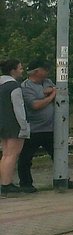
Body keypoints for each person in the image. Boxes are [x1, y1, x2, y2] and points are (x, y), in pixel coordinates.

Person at [18, 60, 73, 192]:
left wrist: (51, 91)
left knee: (58, 154)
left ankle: (63, 179)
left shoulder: (48, 82)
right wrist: (51, 95)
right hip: (34, 129)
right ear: (37, 71)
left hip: (51, 128)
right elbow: (35, 105)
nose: (47, 71)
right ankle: (26, 184)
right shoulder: (26, 87)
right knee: (26, 158)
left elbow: (61, 92)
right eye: (45, 69)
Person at [1, 59, 30, 196]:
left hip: (2, 124)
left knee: (5, 154)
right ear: (13, 70)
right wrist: (24, 126)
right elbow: (19, 108)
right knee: (12, 155)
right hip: (14, 125)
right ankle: (7, 185)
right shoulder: (14, 87)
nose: (22, 70)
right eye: (20, 68)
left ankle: (4, 183)